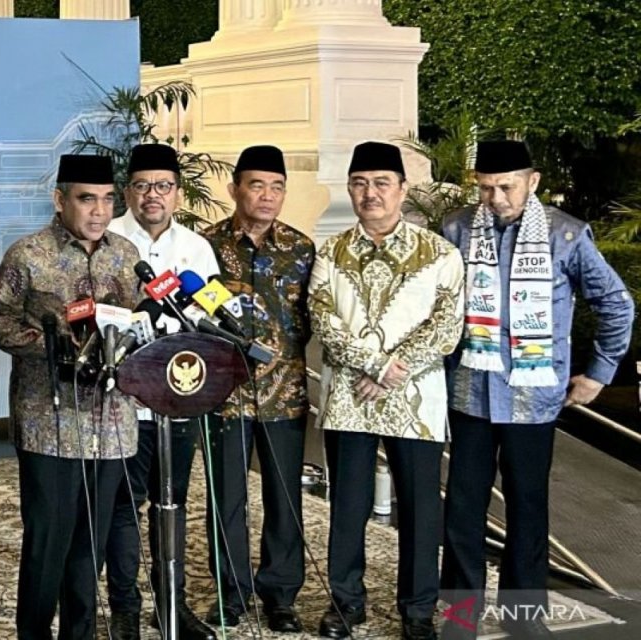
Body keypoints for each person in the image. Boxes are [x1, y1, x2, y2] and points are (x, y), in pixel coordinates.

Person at [439, 140, 635, 639]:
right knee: (462, 511)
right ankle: (459, 620)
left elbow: (616, 303)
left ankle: (523, 619)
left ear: (533, 181)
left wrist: (599, 373)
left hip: (533, 399)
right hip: (469, 394)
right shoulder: (456, 229)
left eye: (506, 187)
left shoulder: (566, 235)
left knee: (527, 511)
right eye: (485, 188)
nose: (496, 199)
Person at [309, 142, 465, 640]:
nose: (370, 193)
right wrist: (376, 365)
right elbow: (322, 318)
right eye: (360, 183)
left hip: (414, 399)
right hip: (349, 398)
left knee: (420, 509)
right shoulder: (330, 251)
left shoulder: (440, 253)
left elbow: (447, 325)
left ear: (402, 189)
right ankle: (345, 603)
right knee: (348, 505)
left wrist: (393, 369)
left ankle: (417, 612)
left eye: (381, 183)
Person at [0, 154, 142, 640]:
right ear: (60, 200)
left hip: (111, 424)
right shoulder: (28, 254)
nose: (99, 211)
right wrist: (52, 347)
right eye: (87, 199)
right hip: (48, 423)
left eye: (108, 200)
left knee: (90, 547)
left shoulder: (128, 254)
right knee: (47, 545)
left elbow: (140, 321)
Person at [103, 143, 220, 640]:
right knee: (124, 508)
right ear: (127, 191)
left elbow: (211, 316)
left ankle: (172, 605)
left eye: (164, 186)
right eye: (143, 185)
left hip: (180, 400)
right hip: (124, 404)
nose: (153, 195)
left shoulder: (197, 249)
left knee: (171, 504)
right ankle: (125, 608)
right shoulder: (107, 239)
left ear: (177, 192)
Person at [200, 145, 315, 633]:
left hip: (284, 395)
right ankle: (230, 593)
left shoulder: (301, 249)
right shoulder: (205, 246)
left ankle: (280, 595)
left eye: (277, 187)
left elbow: (309, 321)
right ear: (235, 190)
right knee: (226, 498)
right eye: (257, 185)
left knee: (284, 498)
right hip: (224, 397)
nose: (268, 196)